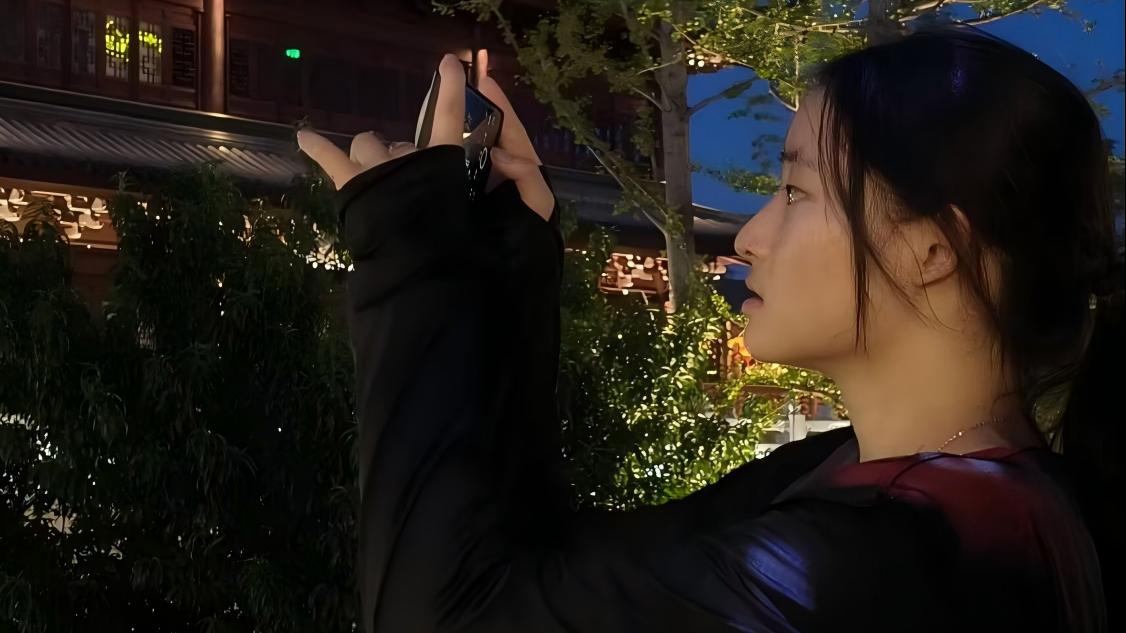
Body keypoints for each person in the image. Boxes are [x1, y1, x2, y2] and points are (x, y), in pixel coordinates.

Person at [296, 24, 1121, 633]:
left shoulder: (887, 561)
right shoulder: (919, 488)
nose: (751, 237)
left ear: (931, 249)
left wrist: (411, 253)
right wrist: (510, 256)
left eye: (795, 192)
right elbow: (548, 573)